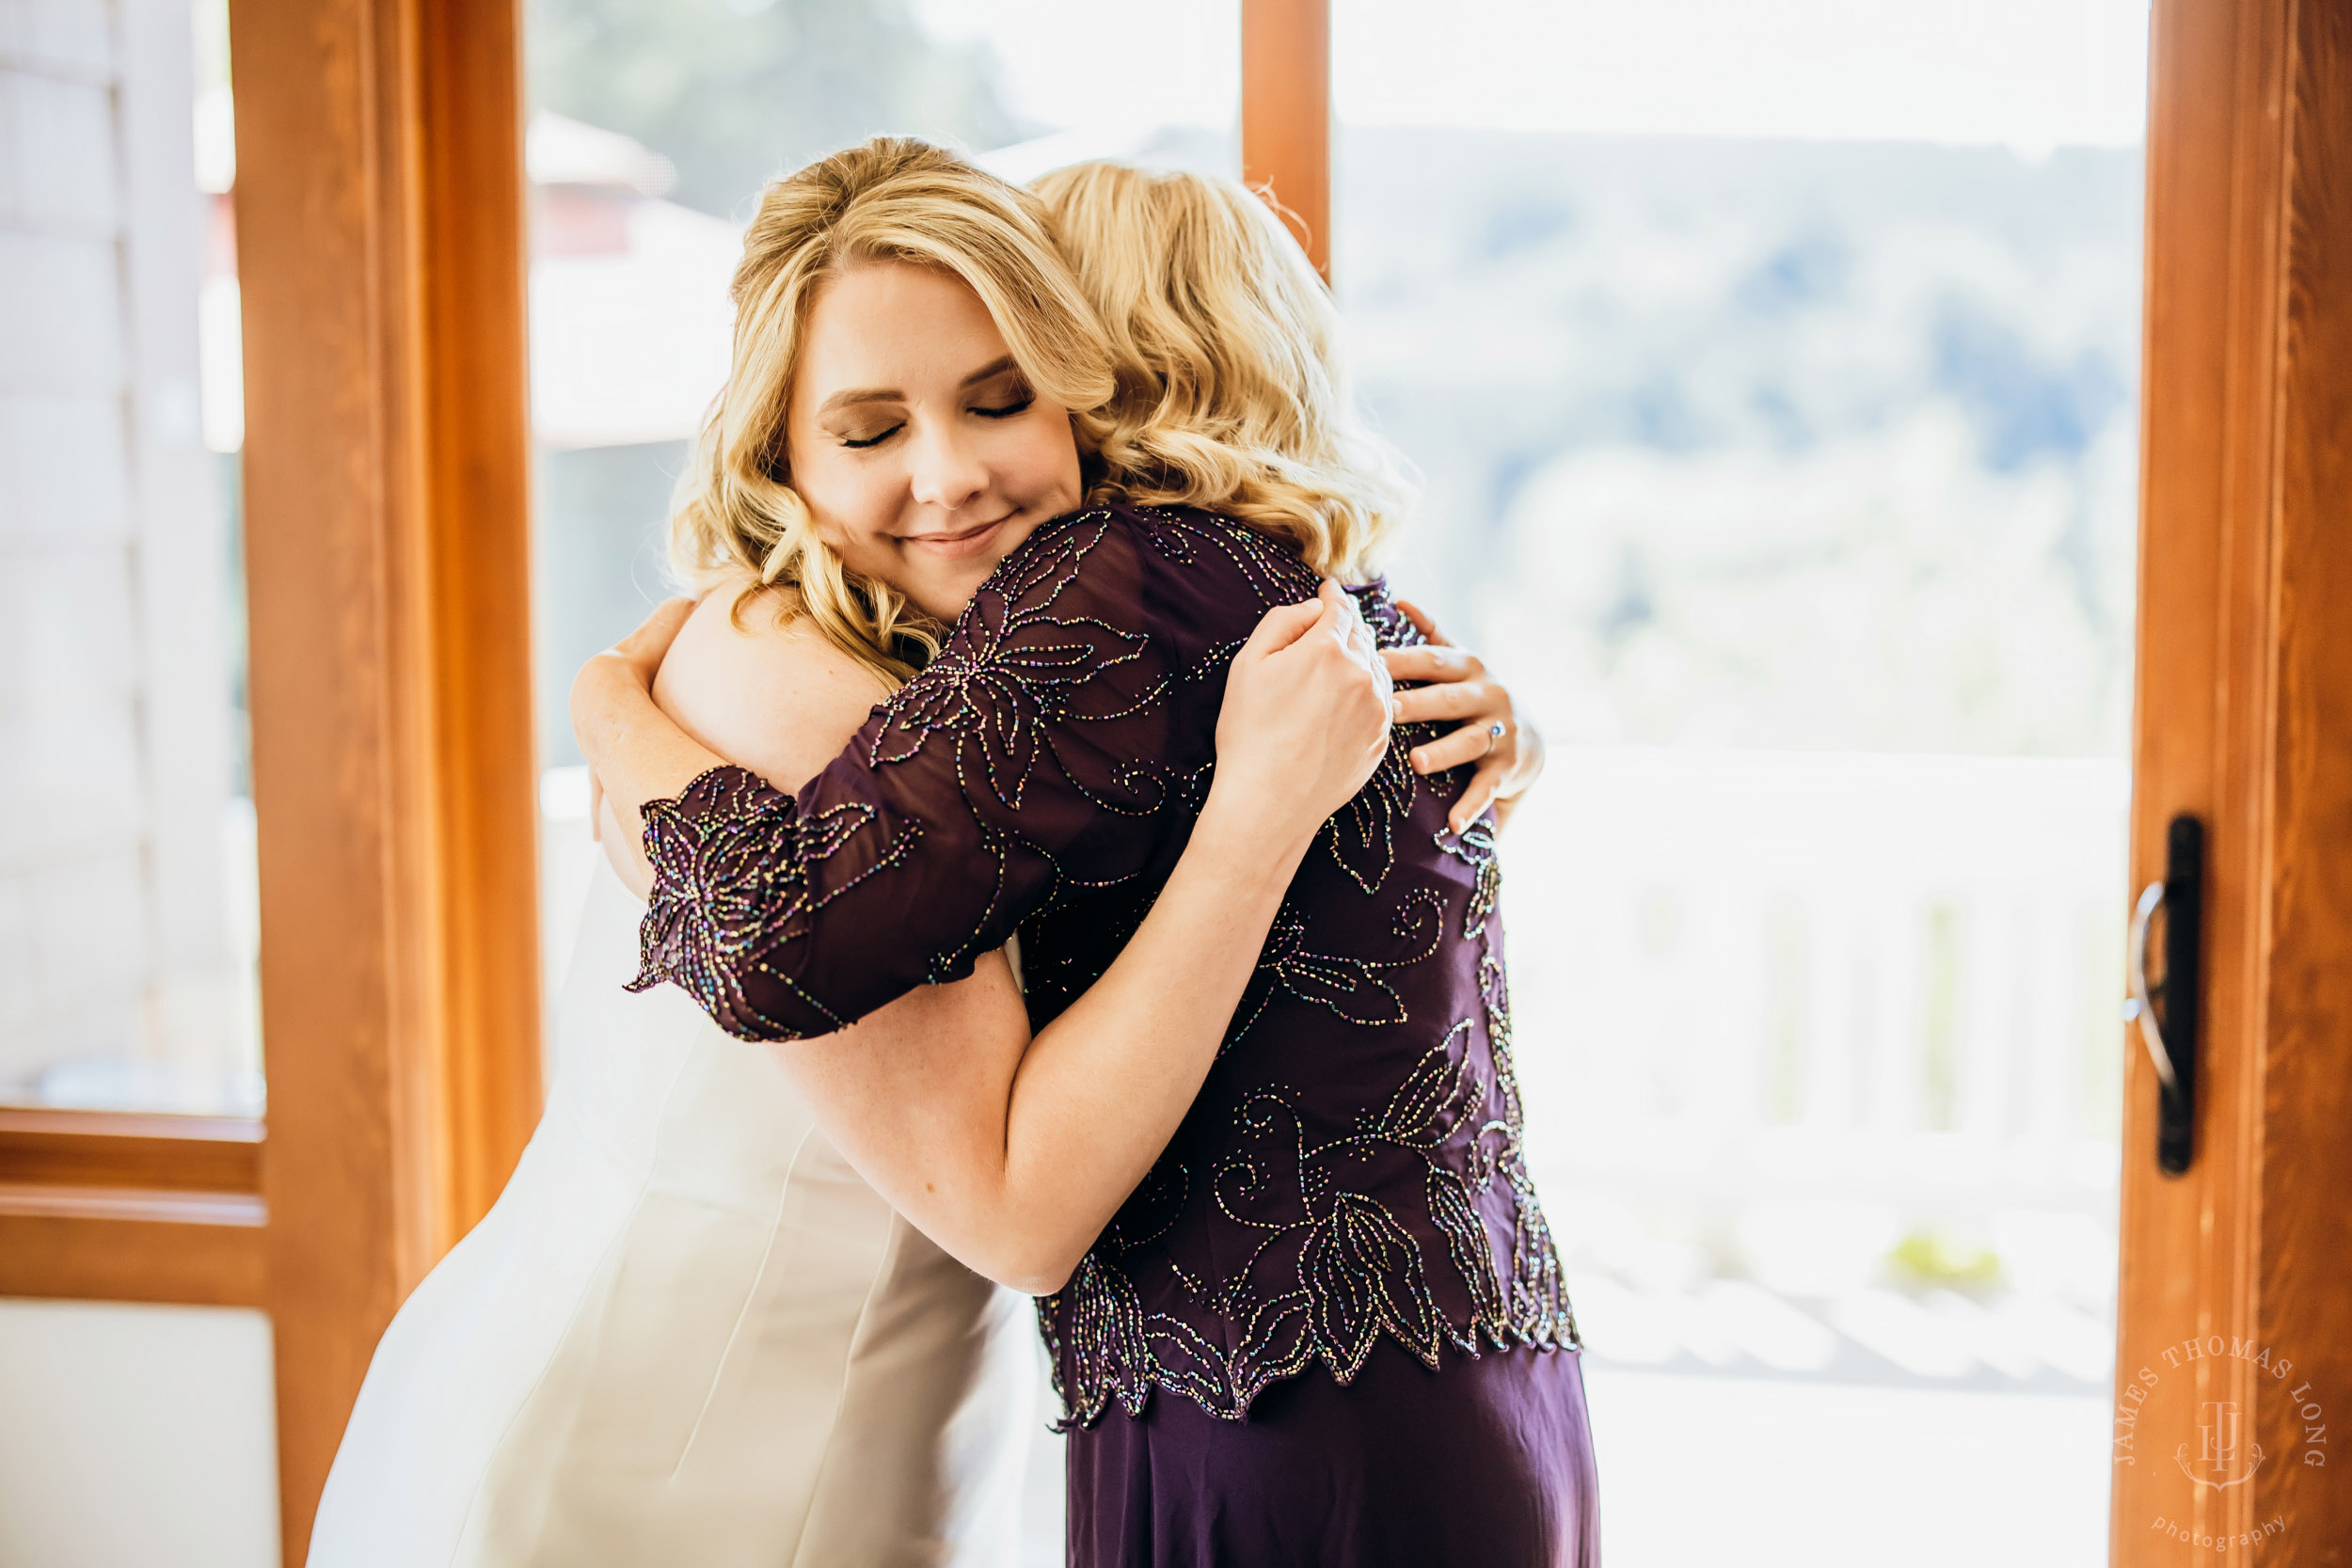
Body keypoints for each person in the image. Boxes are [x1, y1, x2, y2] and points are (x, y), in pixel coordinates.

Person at [305, 141, 1509, 1567]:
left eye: (1002, 400)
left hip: (898, 1445)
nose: (950, 476)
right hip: (648, 1457)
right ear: (782, 460)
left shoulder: (1033, 693)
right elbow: (1015, 1208)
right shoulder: (784, 671)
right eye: (869, 432)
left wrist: (1478, 730)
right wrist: (607, 716)